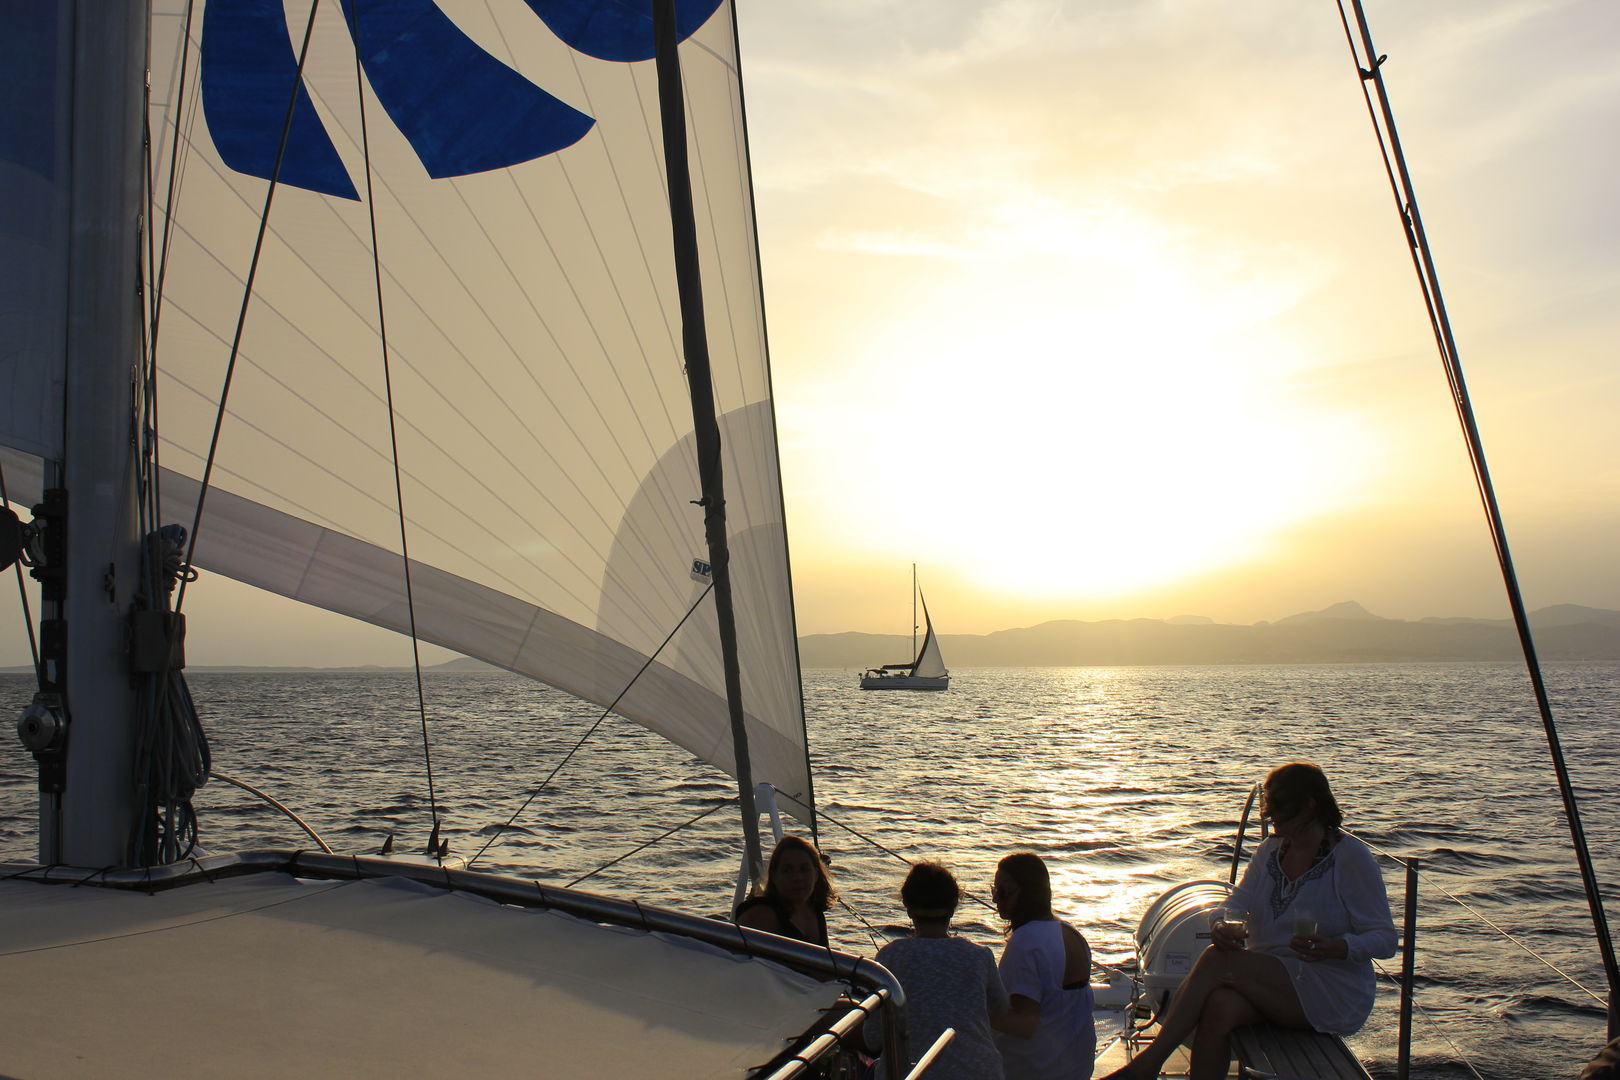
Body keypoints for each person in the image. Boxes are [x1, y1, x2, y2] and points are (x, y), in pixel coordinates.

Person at [1100, 762, 1397, 1080]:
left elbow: (1385, 939)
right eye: (1268, 805)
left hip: (1329, 989)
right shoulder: (1271, 851)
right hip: (1272, 981)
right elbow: (1235, 903)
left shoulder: (1350, 858)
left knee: (1216, 960)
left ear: (1310, 804)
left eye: (1279, 805)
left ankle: (1148, 1065)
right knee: (1220, 1006)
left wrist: (1338, 946)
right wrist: (1219, 925)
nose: (1269, 815)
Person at [864, 862, 1009, 1079]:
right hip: (980, 1072)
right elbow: (1002, 1010)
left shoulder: (890, 957)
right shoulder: (979, 955)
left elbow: (872, 1038)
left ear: (908, 907)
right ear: (953, 908)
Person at [990, 852, 1096, 1079]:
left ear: (1028, 893)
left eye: (1003, 892)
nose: (995, 899)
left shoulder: (1027, 941)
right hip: (1077, 1069)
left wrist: (973, 1011)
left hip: (1035, 1071)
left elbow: (1025, 1024)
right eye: (994, 890)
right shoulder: (1070, 932)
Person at [735, 834, 836, 947]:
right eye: (787, 870)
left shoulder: (816, 913)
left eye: (804, 869)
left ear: (816, 874)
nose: (797, 877)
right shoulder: (762, 914)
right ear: (774, 876)